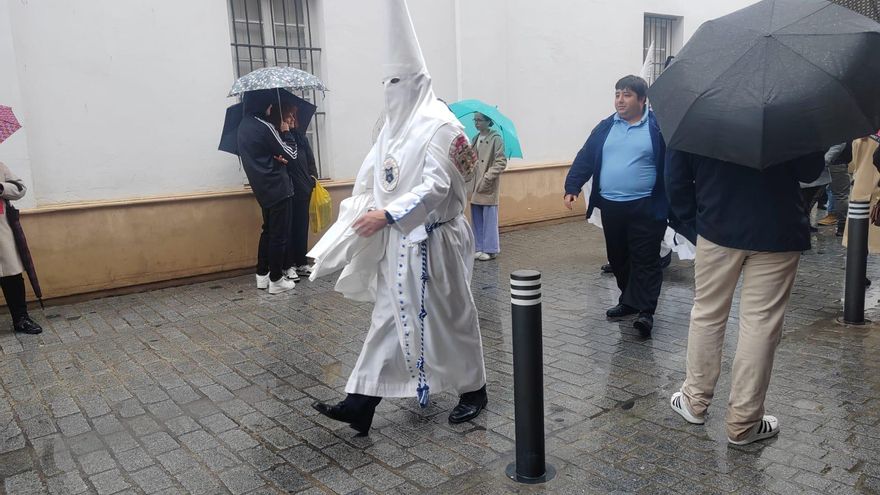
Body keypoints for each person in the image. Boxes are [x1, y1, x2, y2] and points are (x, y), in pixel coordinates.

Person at [311, 0, 488, 436]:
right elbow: (373, 173)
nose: (390, 89)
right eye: (386, 81)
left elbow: (440, 187)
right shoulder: (392, 126)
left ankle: (474, 389)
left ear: (418, 82)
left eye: (398, 81)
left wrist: (388, 213)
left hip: (437, 241)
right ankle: (361, 401)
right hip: (399, 244)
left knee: (451, 313)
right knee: (390, 316)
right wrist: (362, 209)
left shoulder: (443, 127)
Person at [666, 148, 824, 446]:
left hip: (717, 225)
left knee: (708, 314)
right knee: (760, 326)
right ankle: (743, 422)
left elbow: (676, 179)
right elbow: (810, 169)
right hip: (778, 227)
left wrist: (695, 224)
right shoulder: (788, 106)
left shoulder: (700, 107)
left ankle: (694, 401)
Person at [563, 75, 669, 337]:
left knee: (646, 259)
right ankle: (629, 301)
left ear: (643, 100)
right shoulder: (606, 126)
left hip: (647, 206)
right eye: (617, 94)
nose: (620, 100)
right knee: (618, 256)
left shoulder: (657, 128)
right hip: (612, 206)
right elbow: (586, 156)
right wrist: (572, 186)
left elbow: (674, 163)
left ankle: (646, 311)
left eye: (627, 94)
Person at [237, 90, 298, 294]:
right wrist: (286, 131)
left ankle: (262, 275)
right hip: (278, 187)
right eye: (268, 103)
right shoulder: (264, 126)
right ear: (260, 103)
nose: (271, 107)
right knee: (279, 236)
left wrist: (273, 157)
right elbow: (292, 154)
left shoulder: (243, 126)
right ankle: (276, 279)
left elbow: (258, 155)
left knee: (268, 231)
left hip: (262, 189)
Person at [271, 103, 318, 282]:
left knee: (301, 227)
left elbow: (310, 160)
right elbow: (289, 158)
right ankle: (288, 265)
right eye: (287, 116)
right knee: (288, 229)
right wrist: (285, 133)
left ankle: (301, 262)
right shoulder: (279, 137)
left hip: (304, 189)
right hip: (289, 190)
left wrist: (313, 178)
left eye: (292, 116)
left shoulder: (301, 137)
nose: (291, 119)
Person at [0, 162, 41, 334]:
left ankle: (21, 319)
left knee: (12, 276)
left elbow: (20, 188)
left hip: (2, 232)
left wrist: (1, 187)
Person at [469, 112, 507, 261]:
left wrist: (488, 177)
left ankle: (491, 249)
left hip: (487, 182)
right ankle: (478, 247)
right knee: (476, 215)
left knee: (489, 215)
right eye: (475, 120)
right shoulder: (475, 138)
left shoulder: (495, 139)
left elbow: (501, 162)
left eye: (479, 120)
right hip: (475, 182)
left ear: (488, 121)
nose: (476, 123)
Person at [817, 142, 853, 236]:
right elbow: (838, 146)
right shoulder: (842, 130)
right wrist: (825, 162)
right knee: (841, 195)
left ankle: (805, 222)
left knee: (815, 194)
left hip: (830, 163)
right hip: (836, 164)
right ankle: (842, 227)